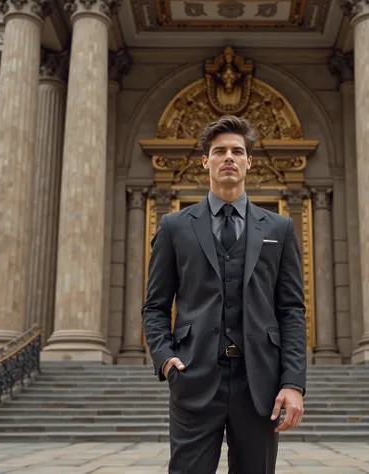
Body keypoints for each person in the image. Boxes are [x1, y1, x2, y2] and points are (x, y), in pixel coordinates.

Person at [142, 115, 307, 474]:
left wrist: (293, 383)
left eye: (237, 151)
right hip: (194, 378)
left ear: (249, 162)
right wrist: (166, 359)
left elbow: (291, 309)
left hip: (259, 384)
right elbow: (155, 306)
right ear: (206, 161)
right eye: (219, 151)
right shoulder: (174, 227)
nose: (228, 157)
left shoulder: (280, 228)